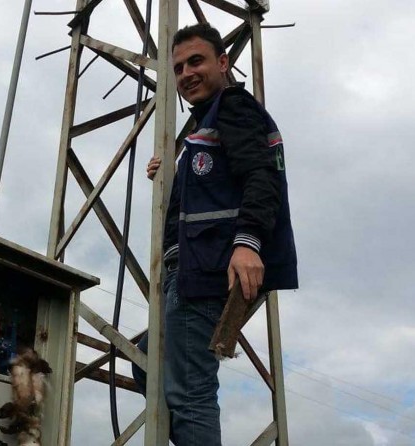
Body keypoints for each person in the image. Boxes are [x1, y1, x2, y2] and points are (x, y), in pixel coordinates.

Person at [132, 23, 298, 445]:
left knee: (191, 394)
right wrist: (171, 173)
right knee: (145, 360)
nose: (186, 73)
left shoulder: (233, 106)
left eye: (196, 61)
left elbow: (261, 176)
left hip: (209, 270)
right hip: (191, 270)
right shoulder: (204, 125)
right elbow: (215, 183)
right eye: (178, 67)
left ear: (223, 62)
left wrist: (247, 243)